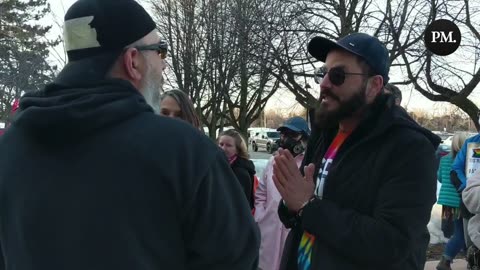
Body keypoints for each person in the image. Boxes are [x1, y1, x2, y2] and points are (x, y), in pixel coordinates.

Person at [0, 0, 260, 269]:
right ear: (133, 60)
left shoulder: (10, 148)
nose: (164, 66)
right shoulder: (184, 152)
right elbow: (235, 259)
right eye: (160, 51)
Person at [272, 33, 440, 270]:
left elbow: (392, 244)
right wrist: (291, 205)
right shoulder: (325, 132)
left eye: (337, 75)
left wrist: (308, 207)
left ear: (374, 85)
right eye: (323, 73)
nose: (324, 84)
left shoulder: (410, 148)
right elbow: (301, 204)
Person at [255, 116, 310, 270]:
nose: (286, 139)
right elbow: (261, 195)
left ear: (304, 139)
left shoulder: (308, 165)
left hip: (293, 238)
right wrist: (261, 217)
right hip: (269, 235)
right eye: (284, 134)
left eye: (292, 135)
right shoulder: (272, 162)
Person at [436, 132, 469, 270]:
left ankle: (468, 258)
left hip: (446, 202)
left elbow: (440, 178)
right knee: (462, 234)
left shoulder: (444, 159)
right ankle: (446, 260)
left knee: (458, 232)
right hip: (459, 202)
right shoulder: (466, 161)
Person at [218, 129, 256, 209]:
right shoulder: (218, 166)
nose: (223, 148)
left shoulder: (240, 173)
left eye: (228, 145)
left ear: (238, 150)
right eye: (221, 144)